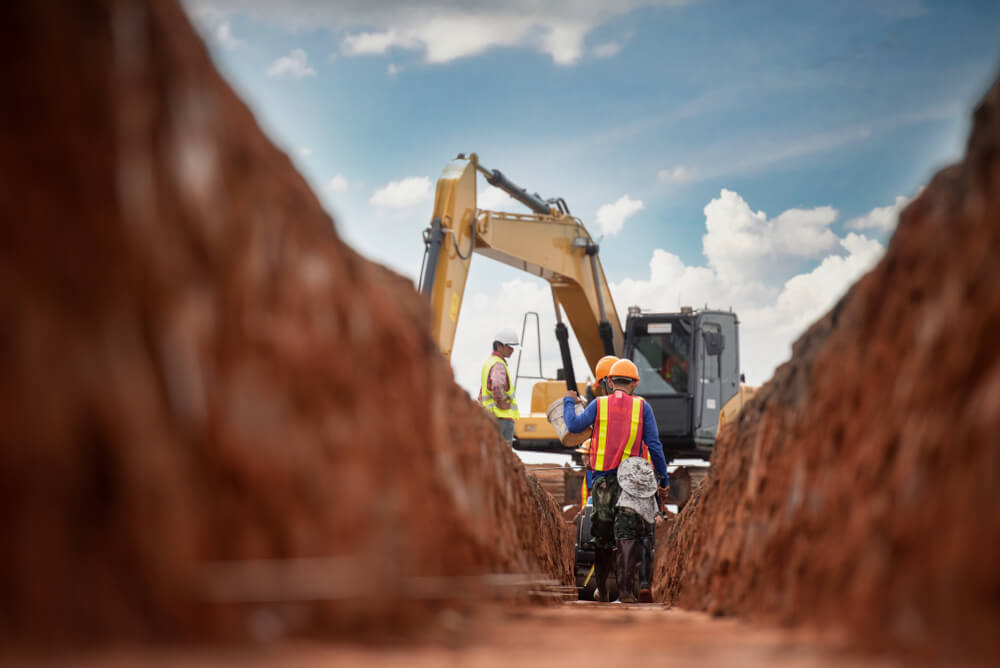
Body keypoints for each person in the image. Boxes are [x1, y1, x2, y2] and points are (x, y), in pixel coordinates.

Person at [563, 358, 669, 603]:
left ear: (609, 382)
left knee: (602, 536)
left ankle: (602, 589)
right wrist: (663, 479)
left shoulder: (598, 405)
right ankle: (625, 593)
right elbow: (654, 446)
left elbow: (573, 425)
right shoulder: (643, 408)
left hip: (603, 482)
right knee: (628, 535)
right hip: (632, 483)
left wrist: (569, 401)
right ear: (635, 383)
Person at [479, 328, 520, 444]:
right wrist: (500, 402)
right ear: (499, 346)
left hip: (491, 417)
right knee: (503, 458)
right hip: (502, 418)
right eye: (509, 346)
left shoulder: (489, 362)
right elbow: (497, 386)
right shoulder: (498, 364)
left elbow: (483, 390)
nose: (512, 350)